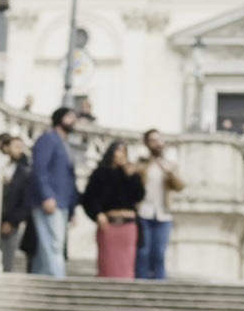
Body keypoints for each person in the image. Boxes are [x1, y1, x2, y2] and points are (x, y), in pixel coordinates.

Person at [26, 108, 79, 278]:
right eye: (69, 116)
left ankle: (39, 280)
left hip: (63, 202)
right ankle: (58, 281)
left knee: (49, 246)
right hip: (49, 201)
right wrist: (47, 195)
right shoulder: (48, 139)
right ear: (59, 118)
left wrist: (72, 209)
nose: (73, 120)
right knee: (54, 245)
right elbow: (39, 169)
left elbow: (70, 179)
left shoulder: (66, 144)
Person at [82, 141, 144, 278]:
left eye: (124, 151)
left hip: (128, 225)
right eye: (119, 150)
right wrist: (97, 214)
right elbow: (89, 198)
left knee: (126, 264)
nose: (122, 155)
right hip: (109, 224)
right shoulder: (100, 173)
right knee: (108, 263)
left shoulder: (130, 174)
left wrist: (132, 176)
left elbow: (139, 196)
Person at [135, 129, 184, 280]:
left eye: (159, 139)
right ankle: (141, 284)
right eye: (153, 140)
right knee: (143, 253)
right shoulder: (142, 164)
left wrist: (169, 172)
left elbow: (180, 186)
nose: (157, 143)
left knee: (159, 254)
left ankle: (160, 285)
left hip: (164, 214)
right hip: (144, 212)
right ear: (147, 144)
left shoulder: (170, 165)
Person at [0, 135, 31, 273]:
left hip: (11, 224)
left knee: (7, 262)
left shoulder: (24, 173)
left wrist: (11, 222)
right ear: (6, 148)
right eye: (16, 146)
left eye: (21, 147)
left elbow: (25, 201)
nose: (20, 150)